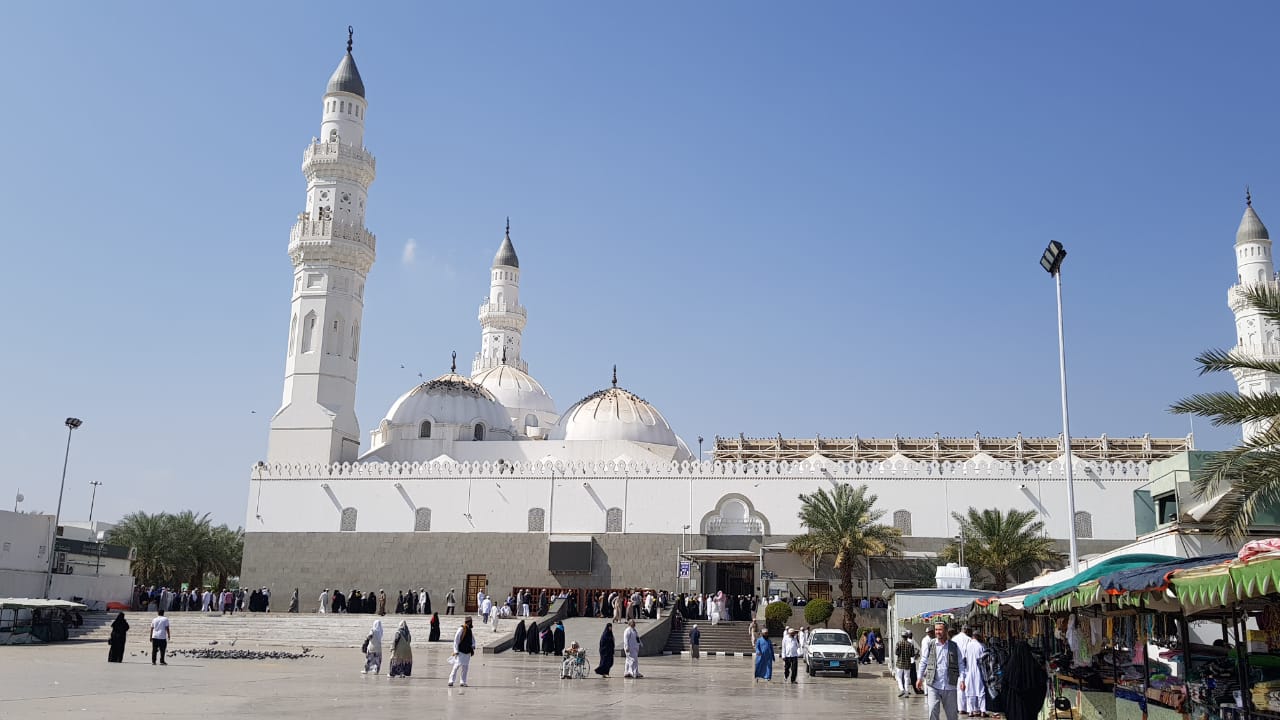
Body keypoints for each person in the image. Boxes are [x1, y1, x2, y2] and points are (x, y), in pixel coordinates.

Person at [917, 621, 960, 720]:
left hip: (950, 685)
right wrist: (919, 678)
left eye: (940, 629)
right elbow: (923, 661)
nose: (937, 632)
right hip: (933, 684)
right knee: (932, 711)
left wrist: (962, 679)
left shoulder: (954, 646)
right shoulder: (930, 644)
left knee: (952, 715)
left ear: (946, 630)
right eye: (936, 629)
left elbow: (961, 663)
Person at [1001, 640, 1047, 720]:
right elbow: (1042, 685)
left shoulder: (1009, 668)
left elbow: (1004, 689)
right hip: (1029, 708)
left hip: (1013, 708)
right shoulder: (1034, 668)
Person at [960, 631, 989, 717]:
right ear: (978, 636)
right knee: (981, 691)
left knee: (970, 692)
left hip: (968, 672)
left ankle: (971, 711)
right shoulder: (981, 646)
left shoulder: (967, 646)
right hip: (979, 672)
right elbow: (985, 660)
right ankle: (983, 711)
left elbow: (963, 659)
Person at [448, 616, 475, 687]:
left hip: (467, 651)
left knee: (465, 667)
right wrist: (455, 650)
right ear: (468, 622)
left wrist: (473, 645)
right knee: (456, 666)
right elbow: (456, 640)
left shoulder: (469, 629)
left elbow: (472, 639)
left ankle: (463, 681)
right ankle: (451, 680)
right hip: (461, 651)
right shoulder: (461, 629)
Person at [895, 630, 919, 697]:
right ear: (907, 636)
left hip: (899, 663)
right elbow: (912, 655)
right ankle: (907, 692)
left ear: (902, 636)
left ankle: (902, 689)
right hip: (908, 664)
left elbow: (896, 653)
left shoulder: (898, 643)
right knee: (907, 678)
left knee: (899, 677)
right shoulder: (910, 644)